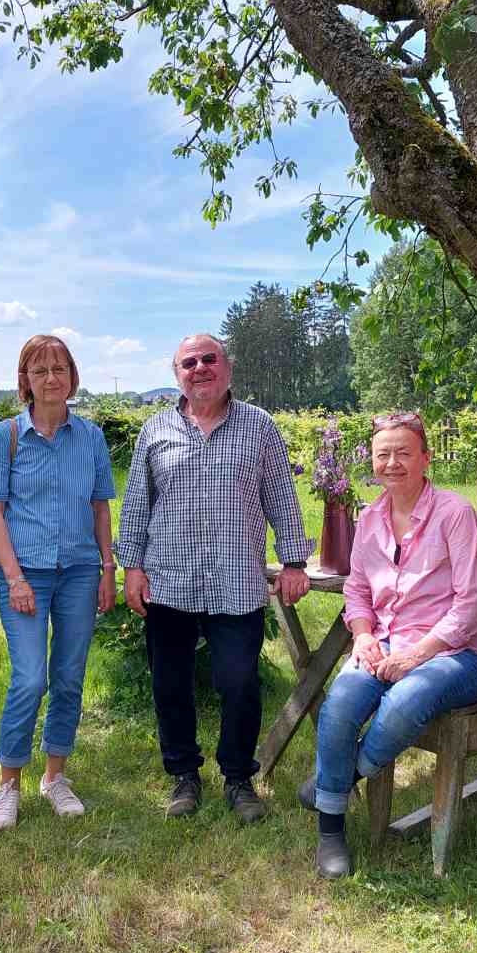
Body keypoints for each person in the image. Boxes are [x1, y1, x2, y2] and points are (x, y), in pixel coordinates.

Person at [117, 333, 314, 822]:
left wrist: (293, 561)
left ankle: (238, 778)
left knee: (239, 682)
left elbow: (282, 499)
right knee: (170, 685)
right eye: (190, 361)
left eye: (210, 358)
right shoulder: (155, 431)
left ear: (227, 366)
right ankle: (184, 775)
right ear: (176, 373)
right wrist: (132, 568)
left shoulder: (259, 427)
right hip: (169, 580)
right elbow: (138, 505)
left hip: (236, 578)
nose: (200, 367)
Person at [300, 413, 477, 878]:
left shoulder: (454, 514)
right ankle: (331, 832)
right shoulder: (369, 518)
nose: (392, 463)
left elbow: (470, 604)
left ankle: (342, 779)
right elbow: (357, 590)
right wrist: (364, 633)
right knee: (340, 702)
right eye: (383, 454)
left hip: (460, 654)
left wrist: (417, 655)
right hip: (386, 641)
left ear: (426, 459)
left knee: (405, 700)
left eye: (404, 452)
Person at [0, 334, 116, 831]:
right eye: (40, 371)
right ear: (25, 382)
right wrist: (14, 578)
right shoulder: (5, 436)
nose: (51, 378)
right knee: (30, 677)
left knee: (69, 676)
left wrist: (107, 568)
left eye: (60, 369)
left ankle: (54, 776)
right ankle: (7, 783)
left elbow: (100, 508)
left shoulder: (92, 438)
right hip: (24, 573)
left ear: (73, 378)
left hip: (78, 570)